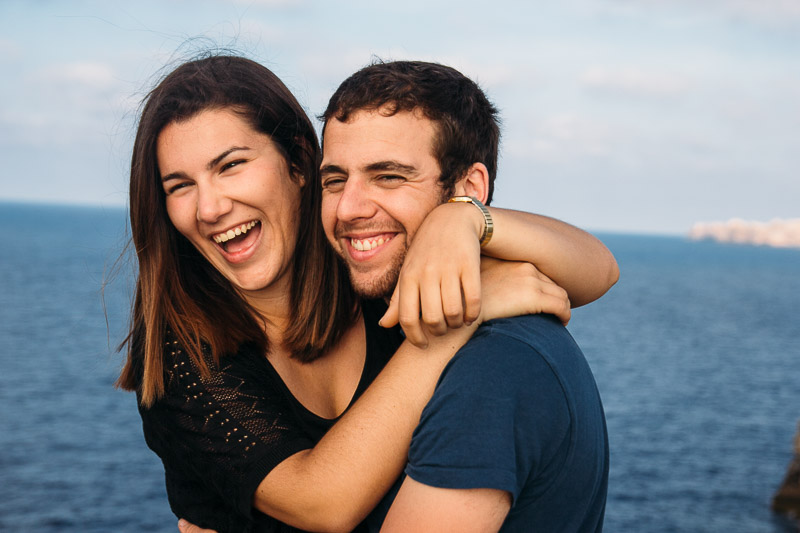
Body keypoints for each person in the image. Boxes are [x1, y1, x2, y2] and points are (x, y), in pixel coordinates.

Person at [117, 54, 617, 533]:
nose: (208, 208)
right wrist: (449, 327)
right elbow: (323, 503)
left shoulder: (369, 268)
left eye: (230, 166)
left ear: (296, 164)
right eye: (179, 186)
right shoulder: (179, 357)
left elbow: (599, 270)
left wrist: (464, 219)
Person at [316, 60, 611, 531]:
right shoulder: (380, 313)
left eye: (389, 176)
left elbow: (602, 267)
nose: (349, 208)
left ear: (469, 189)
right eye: (334, 180)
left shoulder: (495, 371)